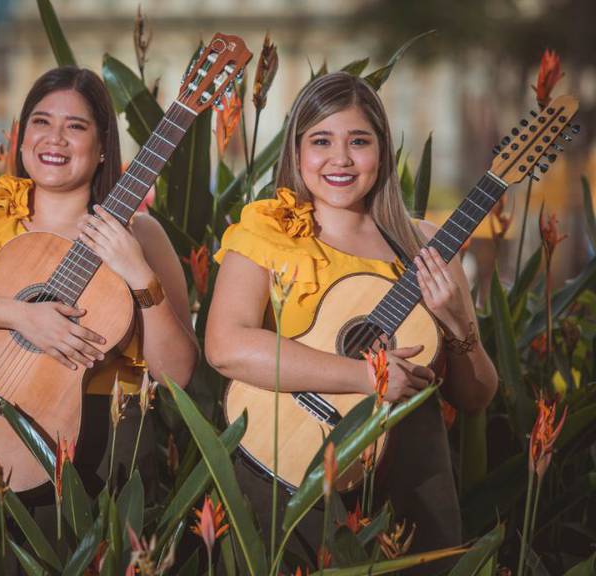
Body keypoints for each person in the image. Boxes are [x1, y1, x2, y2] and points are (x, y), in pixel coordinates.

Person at [0, 66, 198, 569]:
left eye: (76, 126)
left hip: (99, 443)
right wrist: (20, 317)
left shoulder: (142, 235)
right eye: (40, 121)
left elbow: (177, 373)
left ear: (102, 146)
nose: (54, 138)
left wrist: (138, 273)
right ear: (22, 135)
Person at [205, 71, 498, 568]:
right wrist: (366, 376)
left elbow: (476, 397)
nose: (340, 159)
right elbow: (225, 346)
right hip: (288, 456)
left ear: (381, 151)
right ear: (296, 151)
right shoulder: (270, 230)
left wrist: (456, 322)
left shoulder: (427, 246)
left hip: (412, 473)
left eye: (358, 141)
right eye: (321, 141)